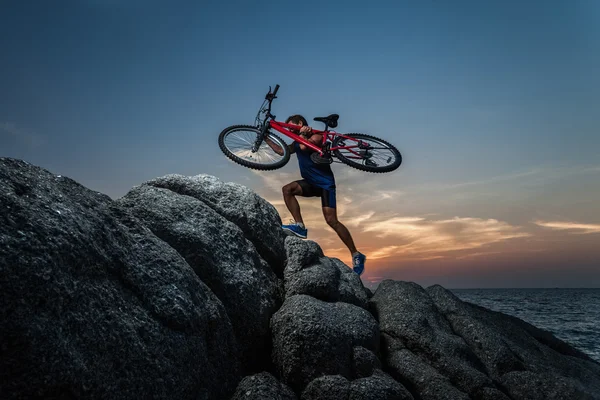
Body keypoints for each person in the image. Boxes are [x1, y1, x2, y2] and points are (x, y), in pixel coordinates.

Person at [265, 114, 366, 276]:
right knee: (287, 189)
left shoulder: (315, 135)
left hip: (325, 184)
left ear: (300, 123)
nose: (290, 129)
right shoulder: (297, 141)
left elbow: (306, 146)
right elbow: (280, 151)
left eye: (292, 126)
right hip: (310, 182)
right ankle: (299, 226)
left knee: (332, 221)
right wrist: (266, 138)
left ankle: (356, 254)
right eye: (289, 128)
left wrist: (304, 134)